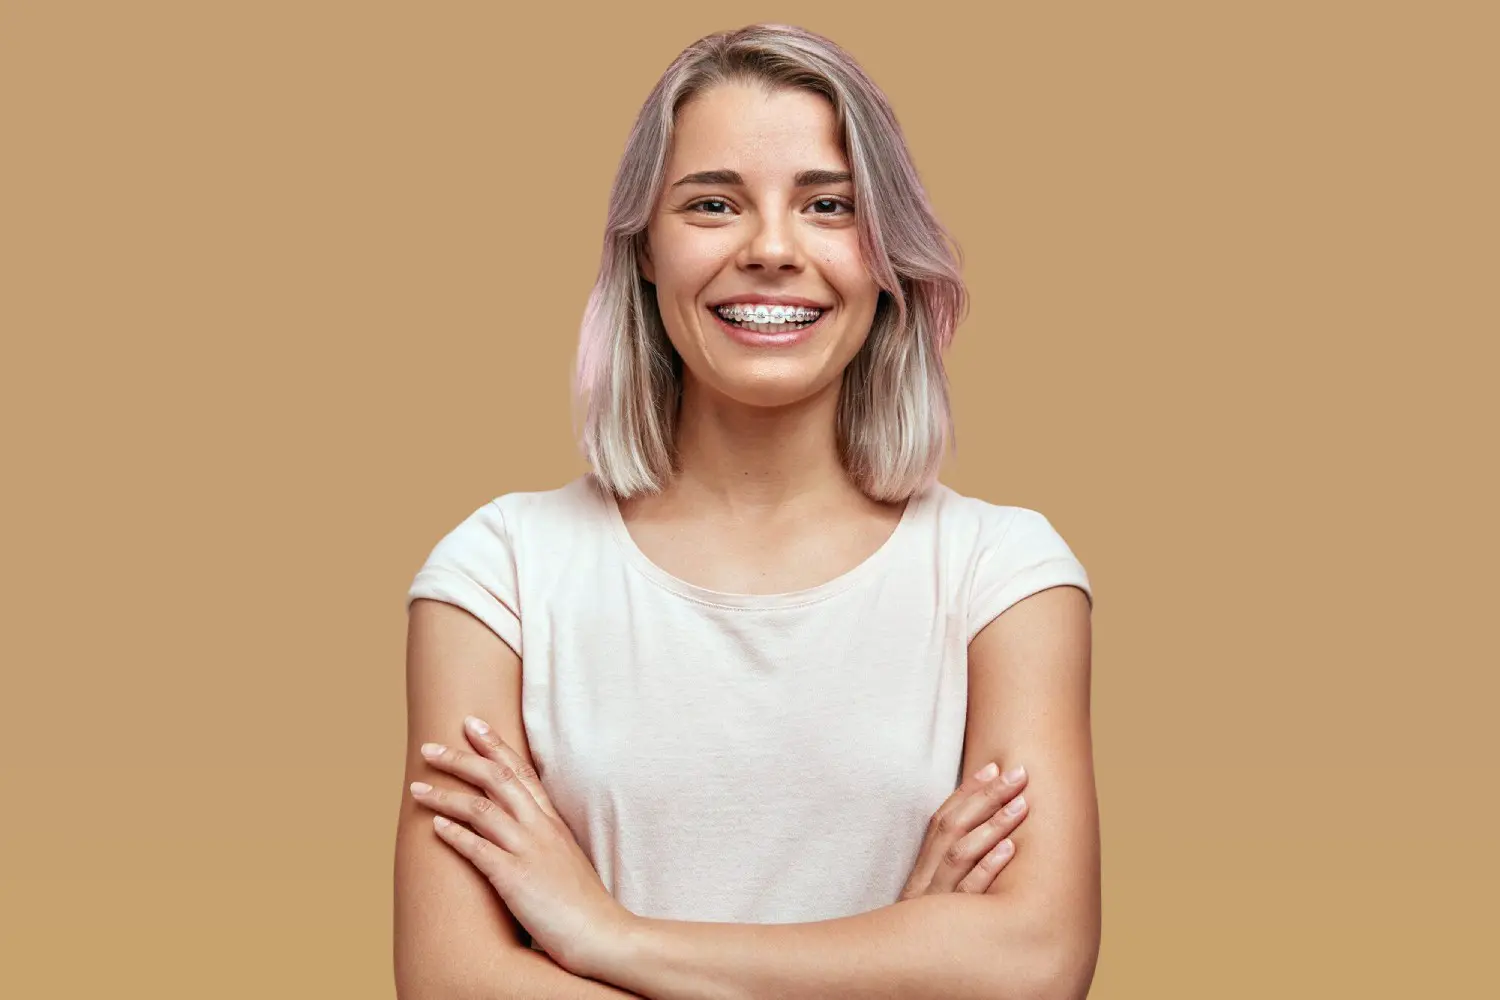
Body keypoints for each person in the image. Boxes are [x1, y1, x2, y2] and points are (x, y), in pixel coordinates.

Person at [394, 22, 1100, 1000]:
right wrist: (896, 959)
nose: (772, 249)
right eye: (713, 203)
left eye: (829, 205)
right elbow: (451, 983)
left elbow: (1034, 962)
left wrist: (609, 936)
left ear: (887, 250)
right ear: (643, 248)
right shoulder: (499, 575)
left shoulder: (1003, 578)